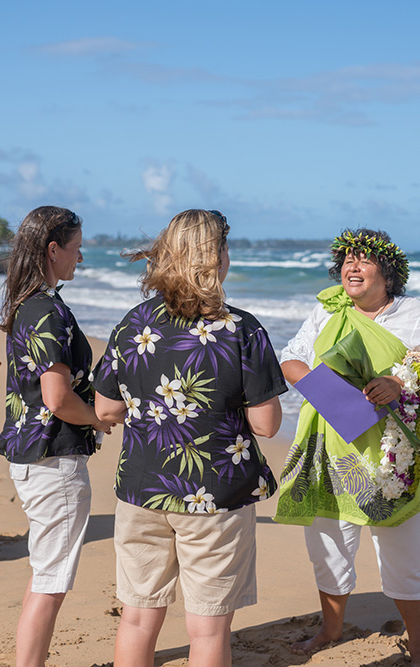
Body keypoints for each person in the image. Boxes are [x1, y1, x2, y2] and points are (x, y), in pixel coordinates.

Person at [273, 228, 420, 667]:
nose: (352, 266)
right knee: (329, 544)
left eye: (364, 260)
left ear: (386, 273)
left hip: (394, 453)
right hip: (332, 445)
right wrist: (316, 385)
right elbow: (293, 356)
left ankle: (419, 646)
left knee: (405, 551)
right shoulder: (328, 310)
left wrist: (397, 382)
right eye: (347, 259)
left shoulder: (414, 314)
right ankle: (330, 629)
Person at [92, 209, 286, 667]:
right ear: (214, 258)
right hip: (215, 494)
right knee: (208, 628)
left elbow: (106, 409)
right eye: (224, 247)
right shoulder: (242, 329)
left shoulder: (134, 323)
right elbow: (266, 425)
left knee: (138, 617)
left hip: (141, 488)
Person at [0, 205, 116, 667]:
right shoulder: (46, 309)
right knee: (51, 581)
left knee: (44, 572)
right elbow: (57, 398)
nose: (80, 258)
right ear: (53, 249)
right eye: (77, 248)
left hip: (32, 455)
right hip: (53, 459)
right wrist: (96, 419)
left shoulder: (28, 304)